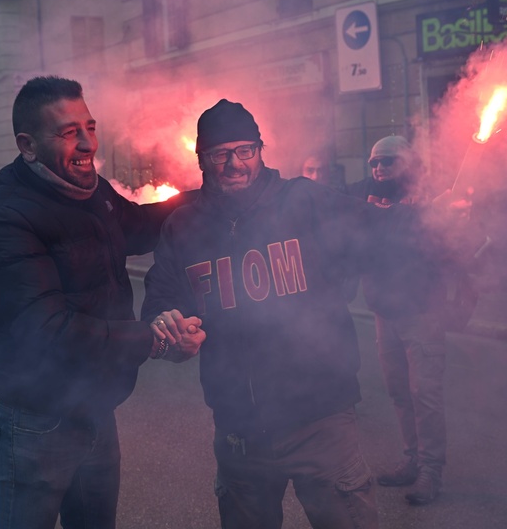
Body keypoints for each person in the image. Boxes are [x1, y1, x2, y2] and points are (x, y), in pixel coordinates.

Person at [141, 99, 419, 528]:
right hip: (238, 432)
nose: (235, 163)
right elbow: (159, 301)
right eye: (220, 154)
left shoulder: (305, 201)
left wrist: (433, 219)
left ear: (260, 150)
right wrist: (169, 334)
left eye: (245, 150)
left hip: (321, 421)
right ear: (202, 160)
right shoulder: (183, 225)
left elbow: (381, 231)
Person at [0, 76, 205, 529]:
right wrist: (153, 339)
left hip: (96, 407)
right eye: (68, 132)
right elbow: (46, 330)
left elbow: (138, 225)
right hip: (36, 425)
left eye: (90, 127)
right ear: (28, 145)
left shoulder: (93, 193)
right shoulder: (4, 218)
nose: (87, 143)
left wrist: (210, 197)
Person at [347, 135, 448, 505]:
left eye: (387, 162)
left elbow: (432, 236)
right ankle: (412, 460)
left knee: (426, 396)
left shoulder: (429, 197)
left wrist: (398, 217)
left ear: (405, 163)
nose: (378, 169)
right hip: (383, 311)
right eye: (374, 162)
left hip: (422, 310)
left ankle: (431, 472)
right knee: (399, 392)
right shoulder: (365, 197)